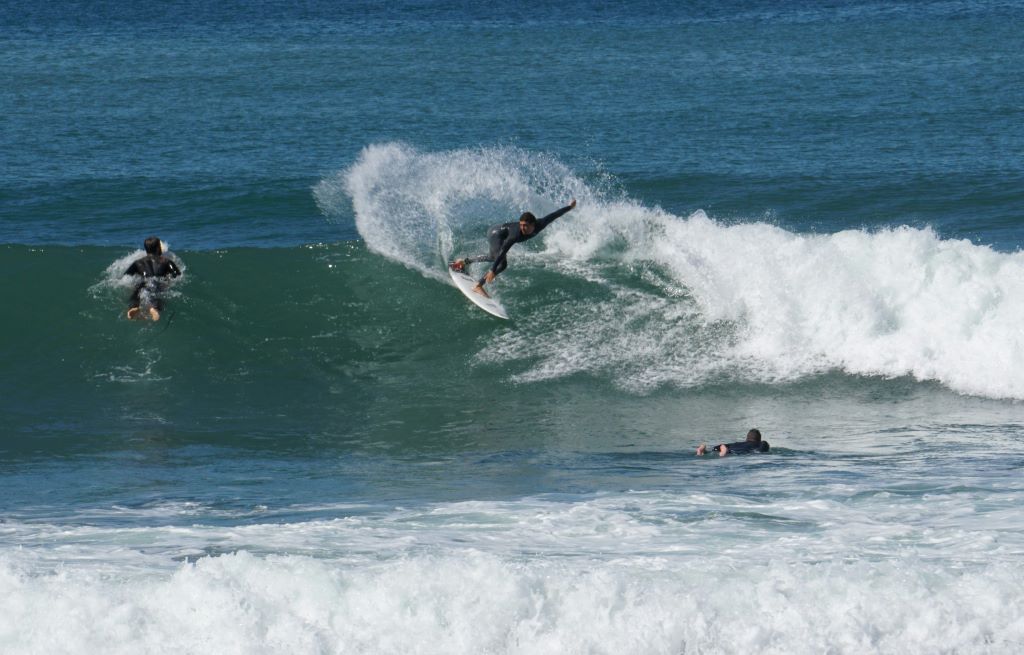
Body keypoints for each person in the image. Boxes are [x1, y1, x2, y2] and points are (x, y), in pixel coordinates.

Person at [449, 199, 577, 298]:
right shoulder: (515, 234)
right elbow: (503, 251)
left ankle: (463, 261)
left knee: (492, 257)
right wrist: (493, 271)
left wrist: (569, 207)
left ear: (533, 224)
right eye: (521, 225)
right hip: (495, 234)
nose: (523, 228)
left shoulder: (540, 224)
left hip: (498, 232)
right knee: (501, 263)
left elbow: (554, 215)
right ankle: (478, 285)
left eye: (526, 226)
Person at [124, 236, 181, 321]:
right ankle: (153, 309)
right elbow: (177, 275)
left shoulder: (138, 262)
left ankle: (135, 307)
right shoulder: (166, 261)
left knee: (137, 293)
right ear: (158, 248)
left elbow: (126, 276)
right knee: (156, 298)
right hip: (156, 283)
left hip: (143, 283)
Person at [696, 429, 770, 457]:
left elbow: (720, 446)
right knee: (726, 453)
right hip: (737, 452)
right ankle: (724, 452)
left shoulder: (738, 443)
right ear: (759, 439)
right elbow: (760, 451)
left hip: (730, 448)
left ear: (747, 438)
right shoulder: (760, 443)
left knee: (714, 450)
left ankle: (703, 449)